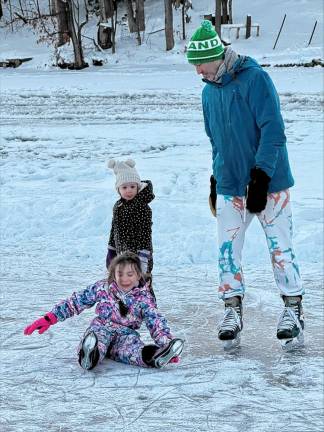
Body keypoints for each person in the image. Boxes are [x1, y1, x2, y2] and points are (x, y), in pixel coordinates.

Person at [187, 20, 304, 350]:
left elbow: (274, 131)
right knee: (227, 251)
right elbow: (216, 141)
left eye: (201, 64)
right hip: (229, 184)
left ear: (216, 56)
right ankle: (232, 311)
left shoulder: (256, 80)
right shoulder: (208, 92)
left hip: (270, 184)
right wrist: (216, 177)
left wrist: (262, 176)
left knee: (280, 247)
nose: (198, 72)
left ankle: (293, 310)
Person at [24, 252, 184, 370]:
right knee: (97, 341)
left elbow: (155, 322)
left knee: (133, 350)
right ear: (113, 273)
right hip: (101, 328)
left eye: (130, 274)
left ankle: (156, 356)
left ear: (138, 276)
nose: (124, 279)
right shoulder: (103, 287)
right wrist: (49, 318)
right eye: (119, 274)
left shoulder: (144, 298)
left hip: (126, 334)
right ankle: (89, 354)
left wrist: (165, 343)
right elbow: (77, 301)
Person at [106, 159, 155, 294]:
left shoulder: (142, 208)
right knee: (125, 286)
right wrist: (111, 250)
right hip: (122, 255)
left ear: (138, 187)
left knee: (142, 286)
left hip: (140, 255)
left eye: (132, 187)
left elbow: (145, 233)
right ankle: (128, 313)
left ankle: (150, 311)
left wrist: (143, 259)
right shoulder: (118, 206)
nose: (129, 191)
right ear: (118, 189)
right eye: (124, 187)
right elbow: (114, 229)